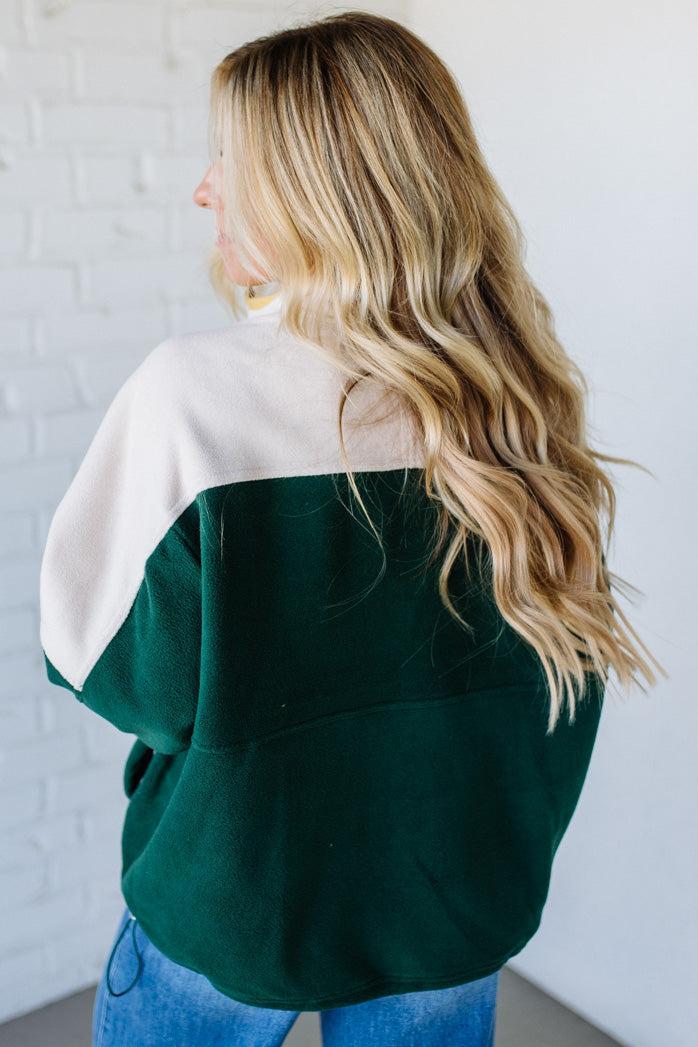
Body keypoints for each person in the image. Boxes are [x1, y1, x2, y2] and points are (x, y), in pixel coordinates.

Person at [38, 11, 665, 1047]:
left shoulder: (193, 398)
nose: (205, 188)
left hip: (238, 908)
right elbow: (558, 684)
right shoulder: (518, 393)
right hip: (453, 906)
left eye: (230, 160)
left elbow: (105, 671)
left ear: (315, 188)